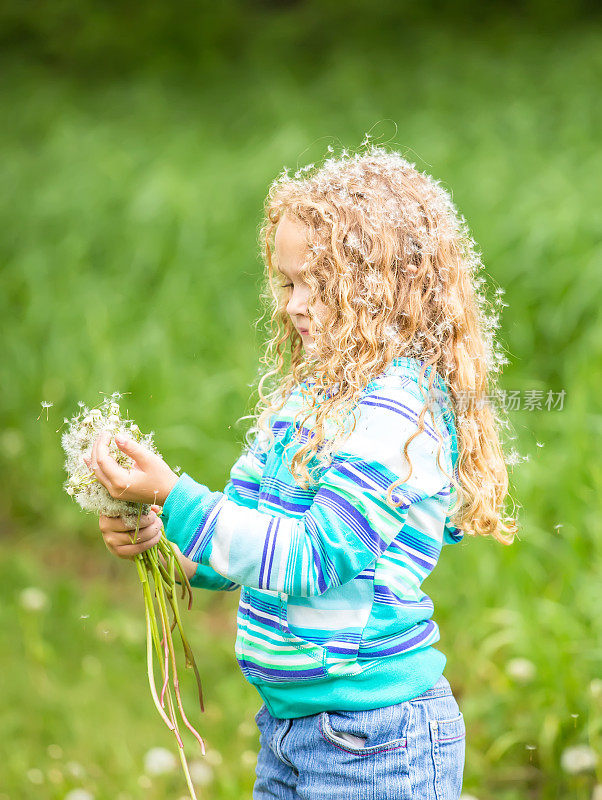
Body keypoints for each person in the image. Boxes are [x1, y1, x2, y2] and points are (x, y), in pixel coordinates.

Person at [87, 144, 518, 799]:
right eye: (289, 283)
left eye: (321, 284)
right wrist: (163, 541)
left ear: (386, 286)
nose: (294, 305)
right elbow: (245, 540)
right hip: (293, 731)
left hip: (377, 740)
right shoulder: (307, 399)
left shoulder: (398, 411)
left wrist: (176, 497)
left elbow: (310, 557)